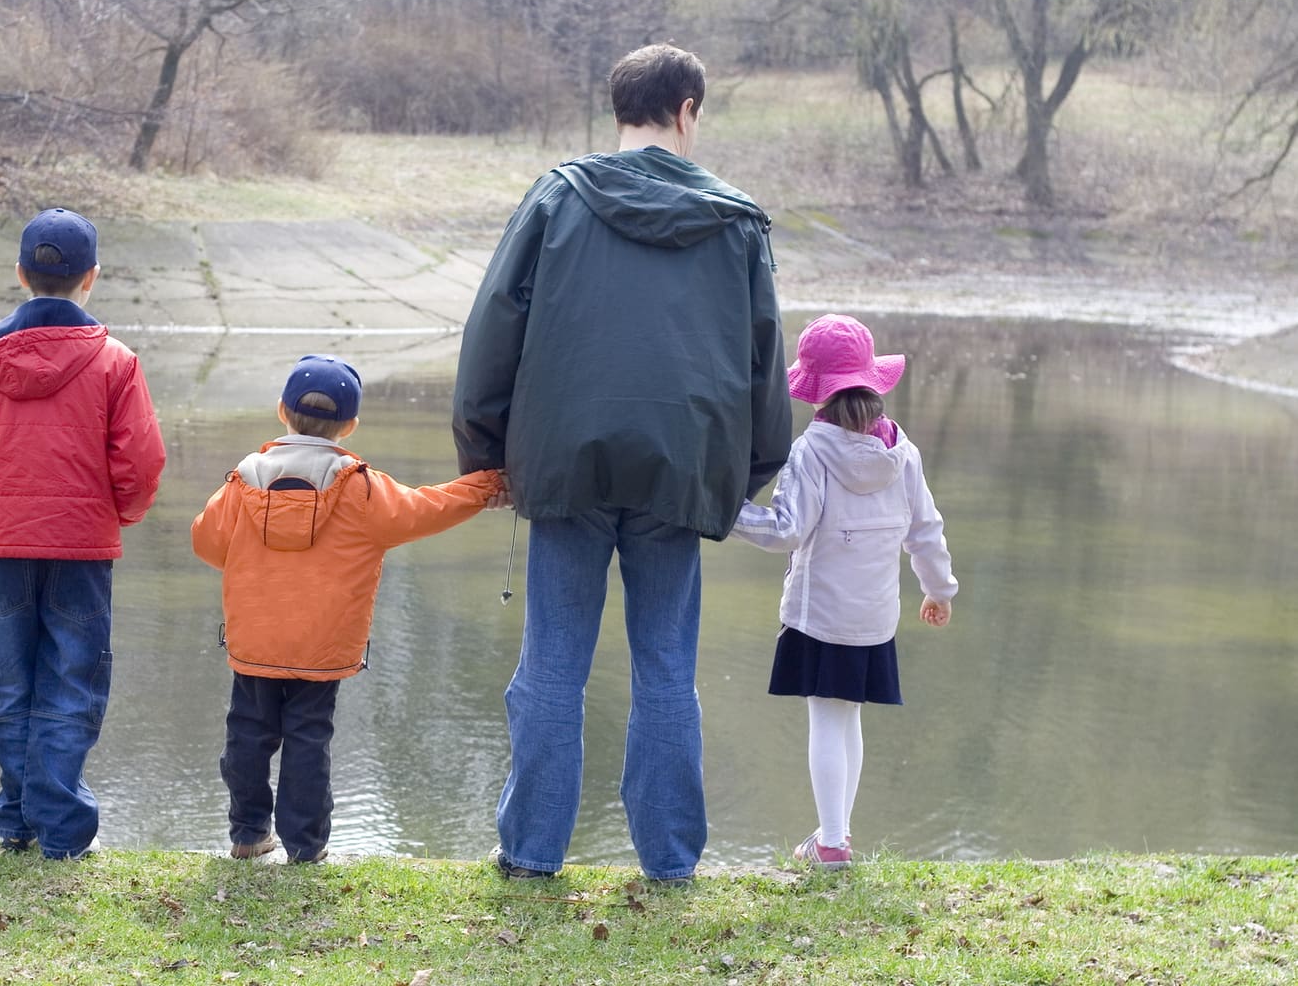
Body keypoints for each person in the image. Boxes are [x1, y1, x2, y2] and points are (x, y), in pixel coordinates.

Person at [452, 43, 792, 883]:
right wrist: (742, 474)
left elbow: (493, 326)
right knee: (667, 668)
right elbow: (764, 363)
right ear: (687, 112)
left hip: (566, 463)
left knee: (553, 665)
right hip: (680, 472)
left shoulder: (558, 198)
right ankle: (671, 860)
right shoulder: (737, 222)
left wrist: (487, 454)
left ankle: (532, 853)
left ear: (619, 111)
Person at [0, 207, 166, 860]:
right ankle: (57, 828)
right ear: (92, 278)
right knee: (73, 679)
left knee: (9, 680)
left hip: (3, 544)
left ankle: (16, 815)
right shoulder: (115, 361)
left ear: (20, 274)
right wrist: (124, 512)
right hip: (82, 548)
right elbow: (141, 462)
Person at [192, 355, 503, 864]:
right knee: (309, 739)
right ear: (350, 425)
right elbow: (428, 507)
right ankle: (305, 846)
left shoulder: (242, 482)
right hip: (323, 646)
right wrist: (486, 484)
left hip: (256, 641)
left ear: (281, 411)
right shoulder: (361, 489)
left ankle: (249, 834)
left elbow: (207, 542)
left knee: (247, 733)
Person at [731, 313, 957, 870]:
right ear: (873, 384)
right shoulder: (901, 451)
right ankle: (837, 834)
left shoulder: (811, 452)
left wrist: (725, 513)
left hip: (822, 614)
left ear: (816, 396)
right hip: (875, 615)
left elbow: (786, 531)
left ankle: (831, 844)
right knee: (848, 715)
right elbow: (925, 528)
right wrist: (939, 589)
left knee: (828, 719)